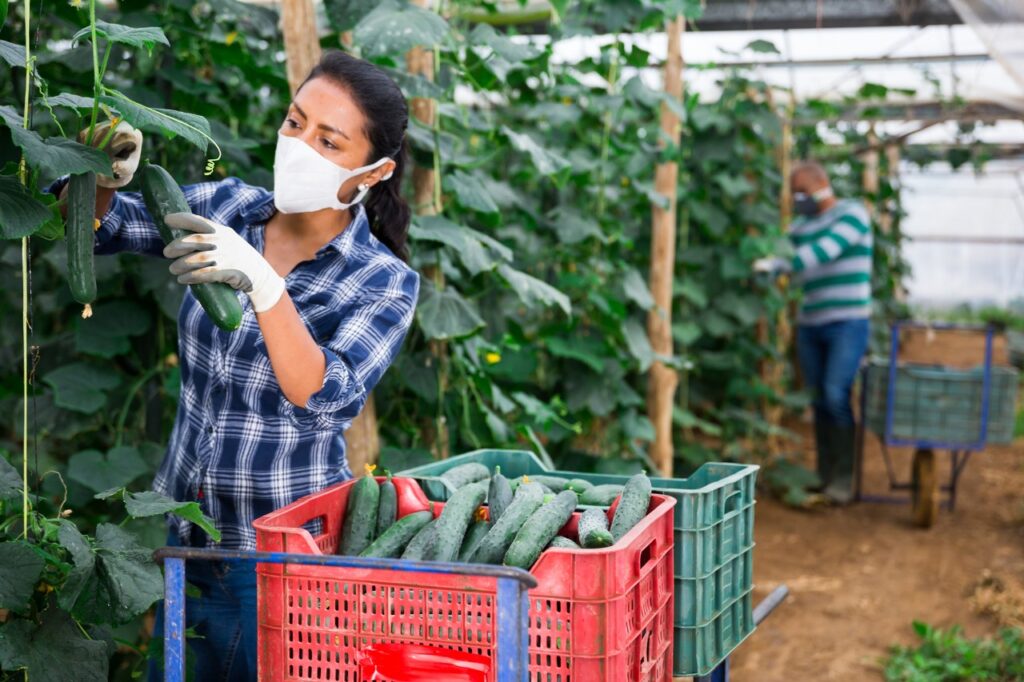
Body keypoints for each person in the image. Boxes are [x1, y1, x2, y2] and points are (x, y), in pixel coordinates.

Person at [56, 51, 419, 680]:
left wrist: (265, 288)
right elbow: (100, 230)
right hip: (183, 539)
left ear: (372, 172)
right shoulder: (225, 208)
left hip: (282, 559)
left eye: (328, 140)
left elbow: (326, 393)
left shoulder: (383, 281)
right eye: (294, 122)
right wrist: (100, 177)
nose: (300, 145)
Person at [755, 161, 872, 504]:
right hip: (810, 324)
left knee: (837, 394)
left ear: (822, 185)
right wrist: (764, 259)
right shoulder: (801, 225)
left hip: (848, 322)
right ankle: (825, 476)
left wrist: (775, 264)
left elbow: (820, 253)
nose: (797, 199)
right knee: (819, 399)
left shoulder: (852, 215)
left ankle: (844, 479)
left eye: (801, 192)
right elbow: (781, 249)